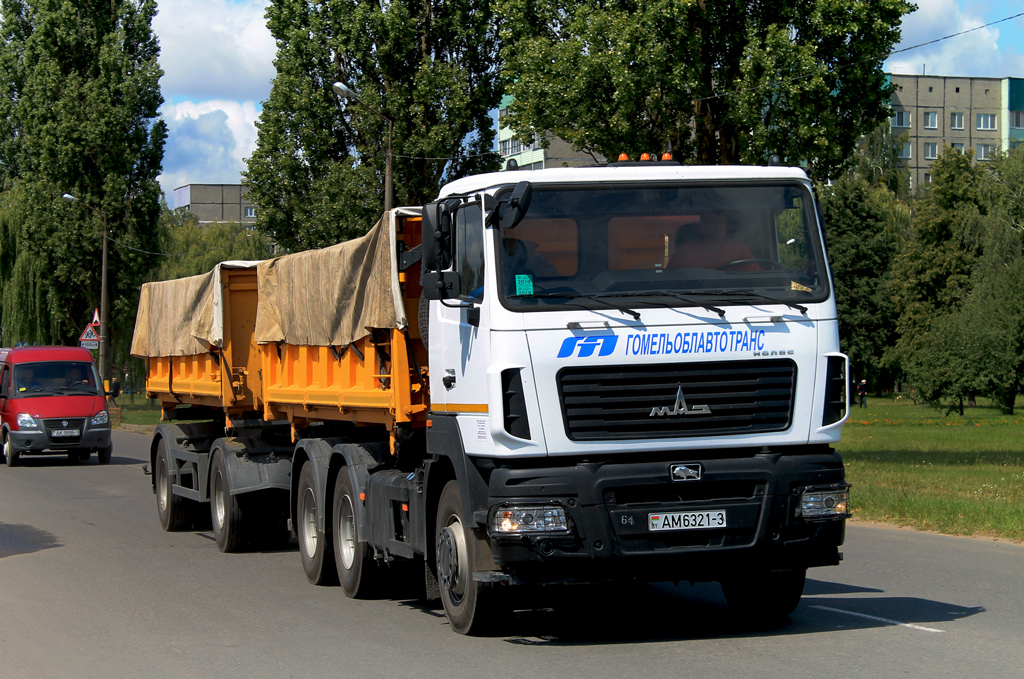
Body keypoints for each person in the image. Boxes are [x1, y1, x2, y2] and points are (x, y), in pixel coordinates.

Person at [668, 212, 758, 271]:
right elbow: (670, 277)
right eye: (712, 223)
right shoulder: (685, 253)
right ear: (702, 226)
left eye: (720, 223)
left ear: (726, 226)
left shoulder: (740, 250)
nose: (717, 228)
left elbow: (756, 276)